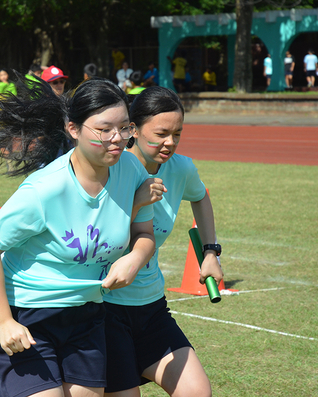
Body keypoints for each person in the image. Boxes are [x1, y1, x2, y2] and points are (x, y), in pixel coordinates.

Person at [0, 76, 159, 397]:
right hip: (27, 314)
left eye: (125, 128)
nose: (118, 138)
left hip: (86, 313)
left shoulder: (132, 170)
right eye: (104, 129)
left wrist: (135, 260)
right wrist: (3, 322)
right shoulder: (44, 189)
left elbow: (143, 233)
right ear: (73, 129)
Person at [103, 86, 222, 397]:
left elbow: (201, 196)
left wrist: (211, 252)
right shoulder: (109, 169)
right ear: (133, 130)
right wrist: (137, 203)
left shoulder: (180, 168)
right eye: (161, 133)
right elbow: (99, 235)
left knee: (197, 392)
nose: (170, 142)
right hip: (103, 309)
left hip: (151, 306)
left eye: (177, 134)